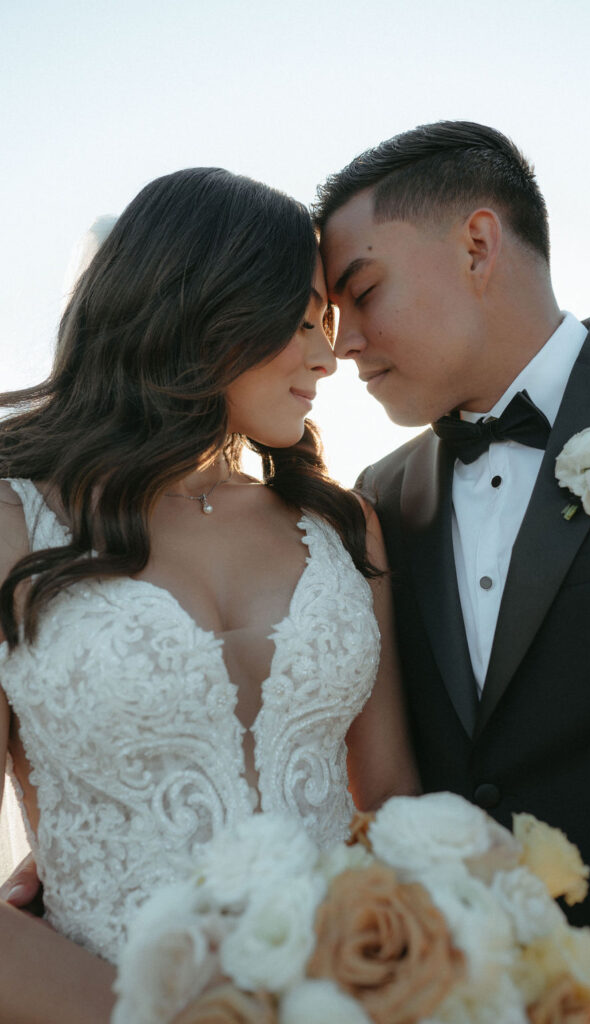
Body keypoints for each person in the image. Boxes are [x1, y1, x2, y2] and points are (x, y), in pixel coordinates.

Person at [0, 167, 418, 1023]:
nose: (328, 355)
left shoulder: (345, 528)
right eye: (302, 320)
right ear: (203, 310)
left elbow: (395, 802)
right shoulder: (13, 522)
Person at [315, 120, 590, 1024]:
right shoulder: (376, 501)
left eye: (362, 293)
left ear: (477, 243)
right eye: (329, 317)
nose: (344, 344)